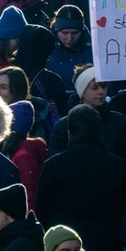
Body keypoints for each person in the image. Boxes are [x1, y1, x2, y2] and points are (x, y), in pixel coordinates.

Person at [36, 103, 126, 251]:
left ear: (69, 132)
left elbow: (42, 210)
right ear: (99, 130)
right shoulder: (119, 166)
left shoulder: (53, 165)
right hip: (107, 241)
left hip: (64, 242)